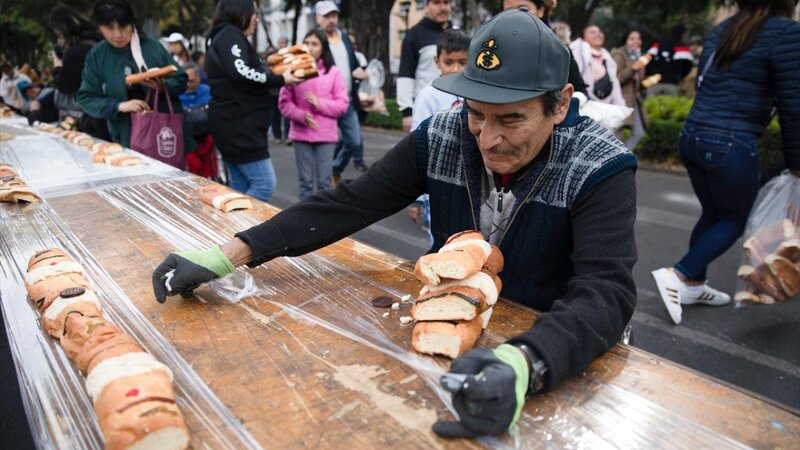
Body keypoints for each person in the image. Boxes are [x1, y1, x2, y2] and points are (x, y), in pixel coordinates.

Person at [151, 9, 637, 438]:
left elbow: (606, 291)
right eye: (476, 114)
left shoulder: (600, 166)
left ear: (561, 102)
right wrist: (229, 253)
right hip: (452, 337)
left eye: (510, 119)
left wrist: (527, 360)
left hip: (558, 349)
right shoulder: (442, 136)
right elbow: (348, 203)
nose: (488, 140)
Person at [652, 0, 800, 325]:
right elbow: (794, 106)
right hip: (731, 142)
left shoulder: (723, 29)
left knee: (714, 213)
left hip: (692, 136)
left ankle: (694, 283)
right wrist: (796, 163)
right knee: (734, 218)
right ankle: (679, 275)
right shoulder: (787, 33)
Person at [206, 0, 299, 202]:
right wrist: (281, 79)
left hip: (230, 122)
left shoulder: (220, 36)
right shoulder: (230, 35)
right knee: (264, 184)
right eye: (254, 13)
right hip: (239, 125)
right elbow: (241, 71)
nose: (256, 18)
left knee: (241, 187)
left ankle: (236, 229)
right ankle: (237, 224)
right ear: (239, 11)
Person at [76, 0, 195, 153]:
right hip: (123, 139)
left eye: (123, 26)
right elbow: (86, 97)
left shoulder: (152, 47)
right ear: (99, 28)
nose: (117, 34)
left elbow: (181, 79)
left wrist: (163, 85)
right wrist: (119, 106)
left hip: (166, 137)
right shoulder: (97, 56)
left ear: (133, 24)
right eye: (109, 28)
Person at [408, 29, 470, 244]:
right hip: (439, 185)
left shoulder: (475, 92)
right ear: (437, 61)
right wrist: (417, 199)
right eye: (449, 62)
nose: (456, 69)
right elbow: (417, 147)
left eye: (463, 62)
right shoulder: (428, 96)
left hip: (471, 183)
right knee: (442, 243)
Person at [278, 29, 349, 201]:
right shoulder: (293, 71)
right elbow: (284, 103)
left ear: (323, 47)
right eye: (307, 43)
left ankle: (325, 225)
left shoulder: (333, 72)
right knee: (306, 184)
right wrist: (302, 115)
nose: (310, 48)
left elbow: (342, 105)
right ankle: (304, 225)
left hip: (326, 135)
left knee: (324, 184)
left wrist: (319, 104)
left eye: (315, 44)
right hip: (301, 134)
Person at [314, 1, 369, 180]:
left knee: (353, 141)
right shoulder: (315, 41)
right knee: (325, 145)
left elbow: (352, 63)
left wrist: (359, 72)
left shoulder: (344, 37)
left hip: (347, 100)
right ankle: (323, 182)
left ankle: (334, 168)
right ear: (318, 18)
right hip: (324, 101)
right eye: (327, 16)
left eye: (334, 15)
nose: (331, 20)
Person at [501, 0, 589, 101]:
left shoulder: (559, 51)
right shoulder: (491, 47)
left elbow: (580, 91)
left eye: (523, 8)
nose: (516, 15)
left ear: (540, 11)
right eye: (509, 11)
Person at [49, 6, 110, 140]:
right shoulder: (100, 42)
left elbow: (65, 87)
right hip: (110, 113)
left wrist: (58, 66)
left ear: (61, 30)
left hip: (89, 120)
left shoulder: (75, 52)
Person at [397, 0, 452, 132]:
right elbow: (406, 74)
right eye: (437, 3)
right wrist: (407, 112)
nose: (442, 7)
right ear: (426, 7)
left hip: (454, 107)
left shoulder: (457, 35)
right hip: (425, 110)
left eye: (446, 2)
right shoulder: (414, 35)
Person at [611, 30, 650, 151]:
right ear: (626, 40)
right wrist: (633, 68)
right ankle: (615, 160)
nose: (636, 41)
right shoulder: (619, 55)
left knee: (639, 131)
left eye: (638, 38)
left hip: (635, 100)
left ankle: (623, 157)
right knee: (616, 133)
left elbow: (638, 81)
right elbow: (616, 78)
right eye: (632, 39)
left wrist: (647, 81)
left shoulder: (639, 57)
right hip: (621, 100)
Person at [570, 25, 625, 106]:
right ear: (583, 37)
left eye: (600, 32)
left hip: (605, 107)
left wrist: (620, 107)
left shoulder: (608, 58)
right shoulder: (578, 51)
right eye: (592, 33)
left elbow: (614, 84)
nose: (598, 35)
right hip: (582, 103)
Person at [180, 62, 217, 179]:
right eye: (187, 81)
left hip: (207, 135)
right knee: (192, 169)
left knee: (209, 168)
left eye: (193, 80)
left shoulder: (207, 91)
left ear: (199, 78)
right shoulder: (177, 94)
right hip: (186, 137)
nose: (189, 84)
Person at [645, 24, 694, 96]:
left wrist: (648, 73)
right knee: (671, 106)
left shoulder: (657, 44)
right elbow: (688, 66)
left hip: (653, 82)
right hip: (672, 83)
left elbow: (646, 60)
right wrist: (680, 76)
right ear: (682, 34)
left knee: (651, 106)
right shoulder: (683, 49)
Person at [269, 37, 290, 144]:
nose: (282, 45)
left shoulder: (290, 56)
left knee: (286, 113)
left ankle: (287, 135)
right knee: (275, 113)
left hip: (286, 87)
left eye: (283, 43)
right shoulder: (273, 57)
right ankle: (277, 134)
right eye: (280, 43)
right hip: (274, 90)